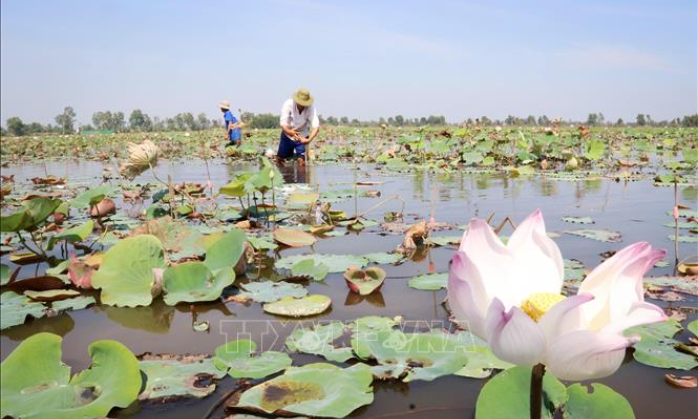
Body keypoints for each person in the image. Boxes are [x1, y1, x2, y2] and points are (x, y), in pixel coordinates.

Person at [277, 88, 320, 165]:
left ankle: (302, 177)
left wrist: (309, 140)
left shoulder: (311, 108)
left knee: (301, 160)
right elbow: (283, 122)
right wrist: (289, 132)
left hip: (302, 137)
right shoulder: (288, 104)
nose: (303, 105)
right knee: (280, 158)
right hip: (288, 135)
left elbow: (316, 127)